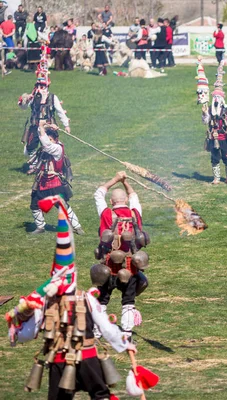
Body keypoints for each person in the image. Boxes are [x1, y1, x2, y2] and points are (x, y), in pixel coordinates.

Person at [5, 195, 136, 399]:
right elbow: (106, 327)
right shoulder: (87, 299)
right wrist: (125, 344)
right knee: (100, 394)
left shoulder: (44, 303)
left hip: (58, 360)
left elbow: (28, 333)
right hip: (88, 358)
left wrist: (15, 332)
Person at [93, 171, 150, 342]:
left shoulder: (105, 214)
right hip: (130, 266)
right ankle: (126, 334)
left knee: (102, 301)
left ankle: (97, 332)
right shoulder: (135, 213)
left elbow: (99, 193)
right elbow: (134, 196)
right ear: (125, 200)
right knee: (128, 302)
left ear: (111, 202)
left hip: (108, 266)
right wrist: (125, 182)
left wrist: (115, 179)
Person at [28, 120, 84, 234]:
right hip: (42, 182)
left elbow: (47, 145)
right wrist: (44, 126)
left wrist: (41, 126)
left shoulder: (57, 148)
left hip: (55, 184)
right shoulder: (47, 146)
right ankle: (40, 226)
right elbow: (42, 138)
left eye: (51, 139)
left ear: (55, 140)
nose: (48, 141)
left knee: (62, 206)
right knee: (34, 205)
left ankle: (77, 226)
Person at [202, 62, 227, 185]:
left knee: (226, 157)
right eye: (215, 97)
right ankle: (216, 178)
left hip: (224, 137)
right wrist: (204, 114)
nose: (216, 100)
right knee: (214, 158)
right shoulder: (209, 109)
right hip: (213, 137)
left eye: (218, 97)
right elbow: (205, 121)